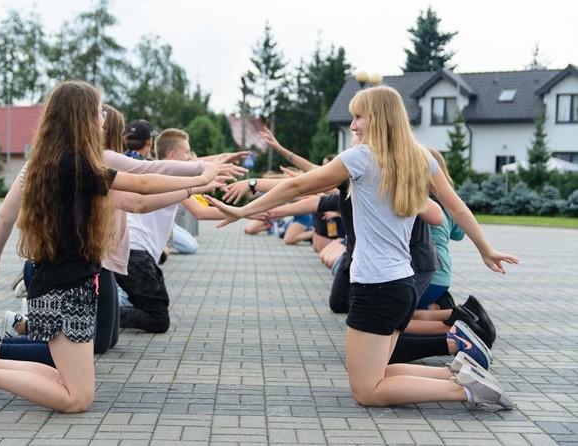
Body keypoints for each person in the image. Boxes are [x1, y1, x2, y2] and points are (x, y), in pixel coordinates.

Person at [206, 85, 519, 411]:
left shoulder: (361, 158)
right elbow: (457, 209)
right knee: (378, 372)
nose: (353, 125)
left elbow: (299, 185)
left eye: (359, 116)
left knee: (368, 391)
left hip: (377, 286)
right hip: (402, 285)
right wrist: (485, 249)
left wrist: (243, 210)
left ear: (379, 118)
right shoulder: (421, 158)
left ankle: (464, 390)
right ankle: (460, 374)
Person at [0, 80, 229, 413]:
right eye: (97, 112)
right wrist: (201, 177)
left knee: (70, 381)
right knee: (76, 398)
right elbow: (142, 181)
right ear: (79, 116)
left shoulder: (62, 161)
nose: (103, 119)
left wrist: (197, 181)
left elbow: (137, 198)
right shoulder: (72, 165)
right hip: (63, 287)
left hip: (70, 282)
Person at [116, 128, 228, 333]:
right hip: (136, 253)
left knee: (150, 305)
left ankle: (106, 311)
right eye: (187, 152)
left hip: (132, 251)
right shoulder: (170, 180)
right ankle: (103, 315)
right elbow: (201, 212)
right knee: (159, 320)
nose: (191, 157)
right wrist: (245, 212)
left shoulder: (160, 173)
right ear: (173, 156)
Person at [417, 148, 465, 310]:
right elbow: (459, 234)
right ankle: (439, 307)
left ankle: (454, 317)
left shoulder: (419, 203)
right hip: (444, 275)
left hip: (425, 276)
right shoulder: (447, 203)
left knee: (401, 315)